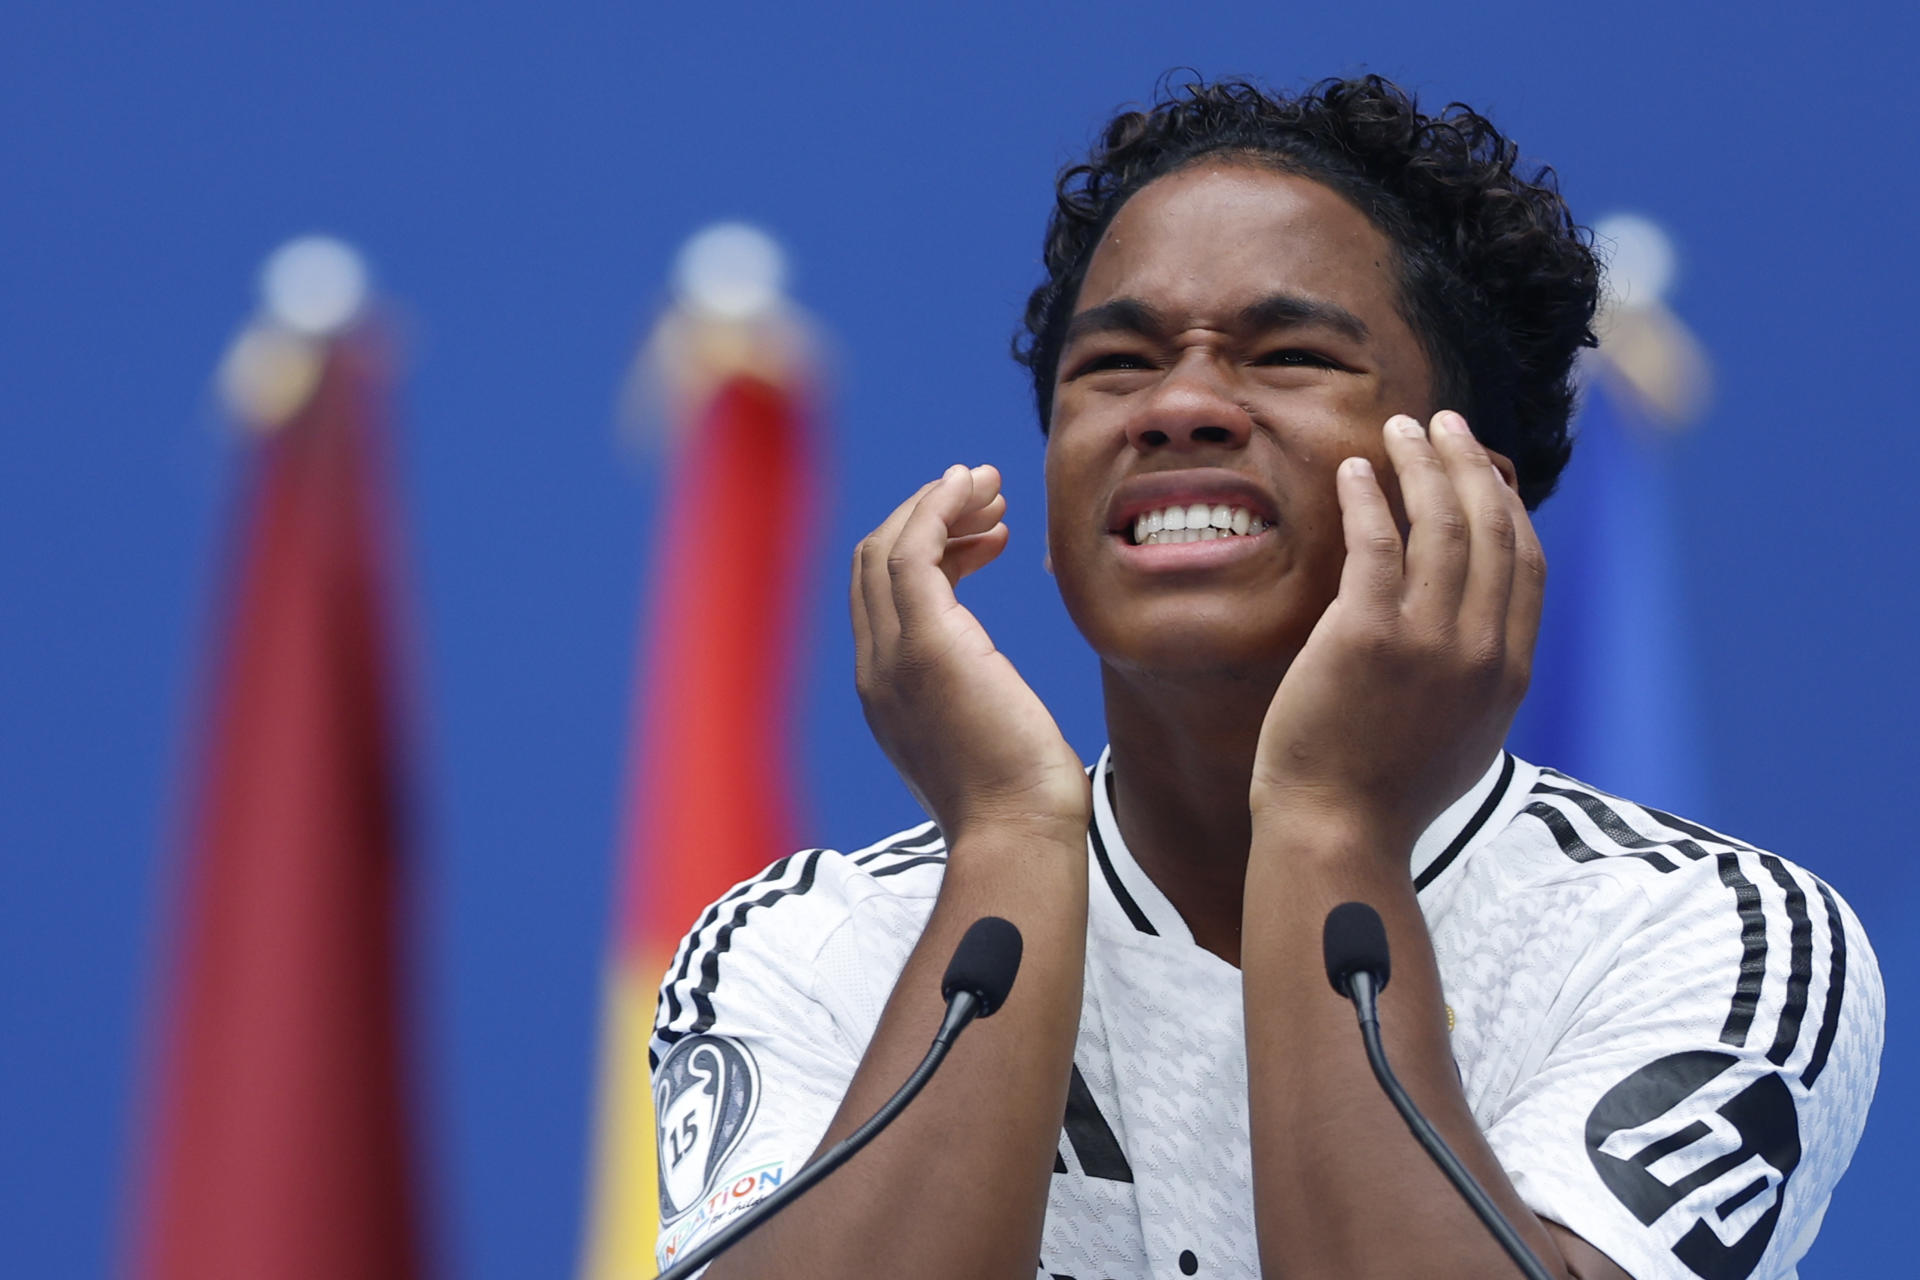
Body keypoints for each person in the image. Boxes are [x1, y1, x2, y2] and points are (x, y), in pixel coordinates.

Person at [648, 76, 1881, 1280]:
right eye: (1116, 363)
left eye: (1288, 353)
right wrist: (1013, 833)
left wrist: (1331, 820)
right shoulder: (802, 944)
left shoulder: (1704, 930)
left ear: (1470, 496)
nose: (1179, 404)